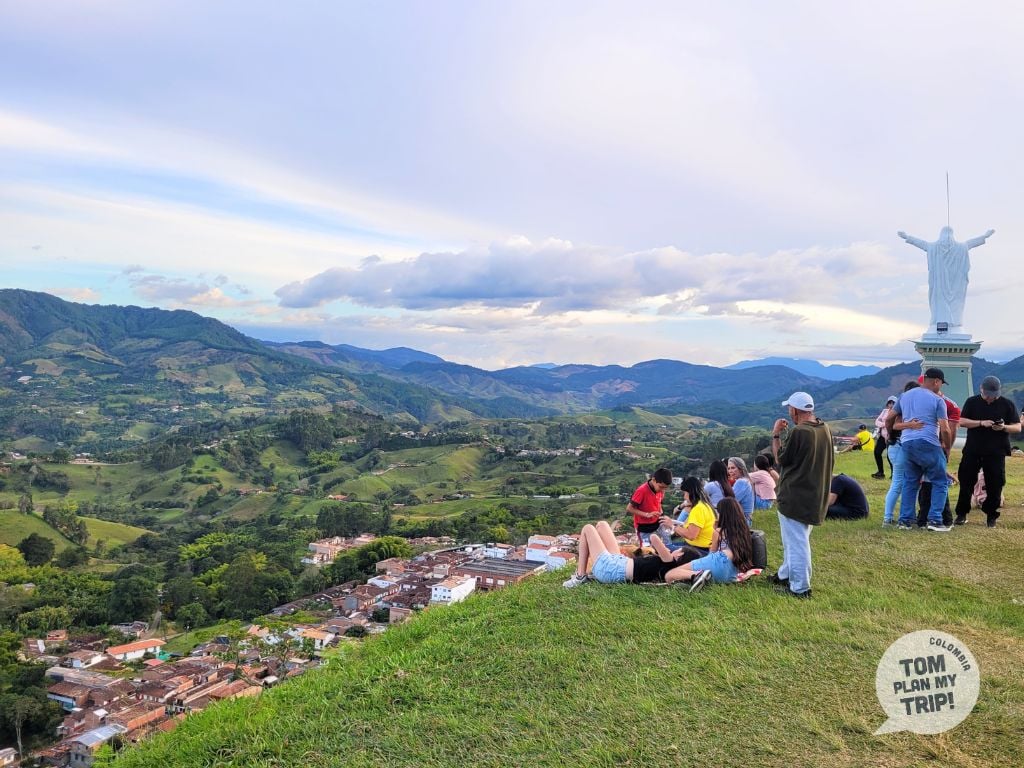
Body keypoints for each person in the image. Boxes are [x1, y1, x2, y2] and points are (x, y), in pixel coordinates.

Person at [770, 391, 834, 598]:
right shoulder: (824, 428)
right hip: (814, 493)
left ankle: (800, 587)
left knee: (797, 543)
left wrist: (776, 434)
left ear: (796, 410)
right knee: (794, 539)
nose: (789, 412)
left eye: (790, 408)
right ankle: (785, 574)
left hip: (795, 495)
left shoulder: (800, 431)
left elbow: (781, 459)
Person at [897, 227, 995, 334]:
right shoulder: (961, 247)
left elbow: (922, 244)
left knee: (942, 303)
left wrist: (907, 237)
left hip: (941, 285)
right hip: (954, 285)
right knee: (950, 304)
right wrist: (985, 236)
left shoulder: (934, 247)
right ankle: (952, 324)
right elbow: (971, 243)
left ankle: (948, 323)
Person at [561, 521, 708, 592]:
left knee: (588, 528)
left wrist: (663, 548)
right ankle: (582, 575)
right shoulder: (667, 566)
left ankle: (580, 576)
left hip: (610, 569)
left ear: (680, 554)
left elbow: (654, 539)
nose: (674, 550)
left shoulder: (669, 561)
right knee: (602, 525)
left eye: (678, 550)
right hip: (618, 563)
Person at [889, 368, 951, 532]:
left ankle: (905, 520)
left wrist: (890, 435)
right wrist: (947, 447)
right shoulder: (938, 400)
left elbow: (889, 418)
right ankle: (935, 520)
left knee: (910, 482)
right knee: (940, 481)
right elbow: (944, 428)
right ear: (936, 381)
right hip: (928, 442)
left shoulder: (905, 396)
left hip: (907, 443)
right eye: (941, 384)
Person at [954, 376, 1021, 527]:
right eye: (987, 395)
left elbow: (1017, 427)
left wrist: (1003, 427)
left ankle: (991, 516)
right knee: (966, 481)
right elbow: (962, 421)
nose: (990, 399)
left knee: (995, 483)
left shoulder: (1007, 404)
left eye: (994, 396)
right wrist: (980, 423)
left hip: (996, 451)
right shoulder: (972, 402)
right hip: (973, 449)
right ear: (981, 390)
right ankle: (961, 513)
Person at [662, 498, 755, 589]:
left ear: (723, 513)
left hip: (720, 560)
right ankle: (698, 580)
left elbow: (711, 555)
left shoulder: (719, 532)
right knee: (684, 576)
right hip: (732, 573)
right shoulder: (744, 533)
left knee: (670, 575)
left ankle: (699, 575)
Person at [883, 381, 918, 526]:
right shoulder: (905, 405)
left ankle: (896, 516)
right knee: (898, 483)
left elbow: (889, 422)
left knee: (901, 483)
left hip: (896, 446)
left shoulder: (903, 403)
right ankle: (889, 517)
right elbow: (892, 421)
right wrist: (911, 425)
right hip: (899, 447)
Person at [659, 476, 716, 556]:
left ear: (690, 492)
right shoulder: (704, 505)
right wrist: (672, 523)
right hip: (701, 547)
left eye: (685, 493)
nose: (684, 497)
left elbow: (691, 535)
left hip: (698, 549)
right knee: (665, 547)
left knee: (662, 549)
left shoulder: (698, 509)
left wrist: (672, 526)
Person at [626, 468, 673, 547]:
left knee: (667, 543)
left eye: (665, 488)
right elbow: (629, 508)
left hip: (657, 521)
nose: (663, 490)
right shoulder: (642, 491)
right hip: (643, 526)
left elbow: (659, 500)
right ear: (654, 480)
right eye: (661, 487)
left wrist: (660, 508)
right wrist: (647, 514)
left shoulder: (661, 489)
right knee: (647, 550)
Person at [872, 395, 897, 479]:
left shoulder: (897, 413)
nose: (891, 405)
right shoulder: (884, 411)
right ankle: (880, 471)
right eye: (890, 403)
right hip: (882, 436)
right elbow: (877, 421)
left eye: (893, 403)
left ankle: (893, 473)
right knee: (877, 452)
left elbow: (893, 424)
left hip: (891, 435)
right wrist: (884, 424)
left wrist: (886, 425)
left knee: (890, 455)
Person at [727, 456, 755, 525]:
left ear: (740, 469)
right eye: (729, 468)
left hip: (741, 520)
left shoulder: (742, 482)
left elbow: (730, 502)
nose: (730, 471)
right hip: (744, 519)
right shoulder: (745, 480)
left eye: (733, 468)